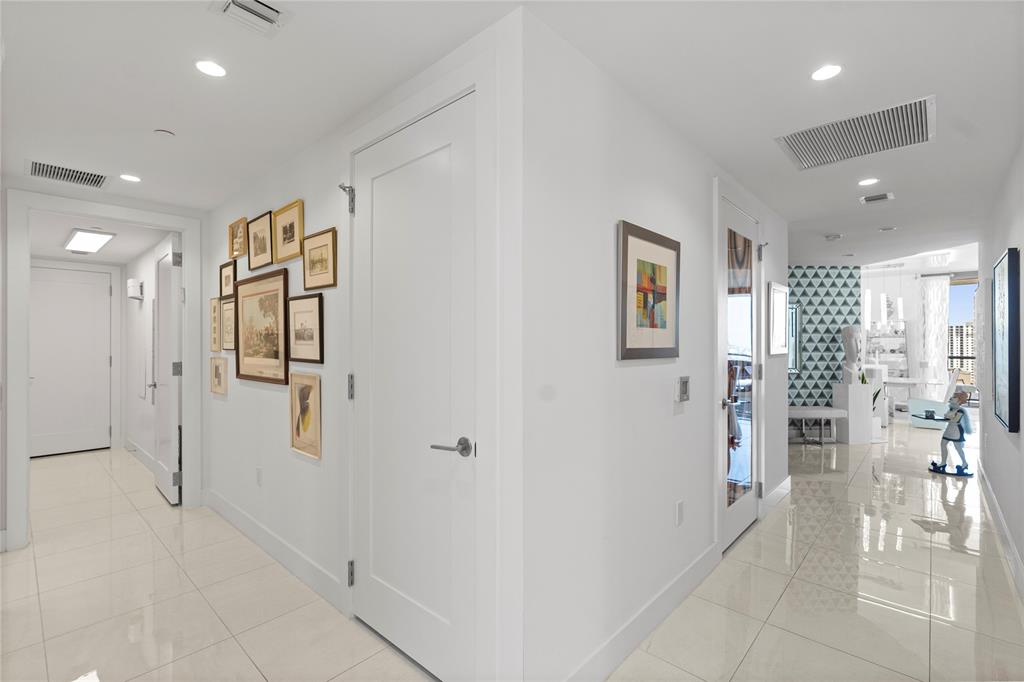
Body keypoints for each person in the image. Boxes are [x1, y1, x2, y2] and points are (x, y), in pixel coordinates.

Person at [932, 391, 973, 475]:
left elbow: (954, 419)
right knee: (943, 444)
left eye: (954, 397)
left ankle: (964, 463)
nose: (951, 398)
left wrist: (948, 417)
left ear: (959, 400)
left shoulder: (960, 411)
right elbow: (946, 416)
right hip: (949, 429)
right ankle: (943, 462)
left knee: (957, 447)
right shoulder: (951, 408)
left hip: (956, 430)